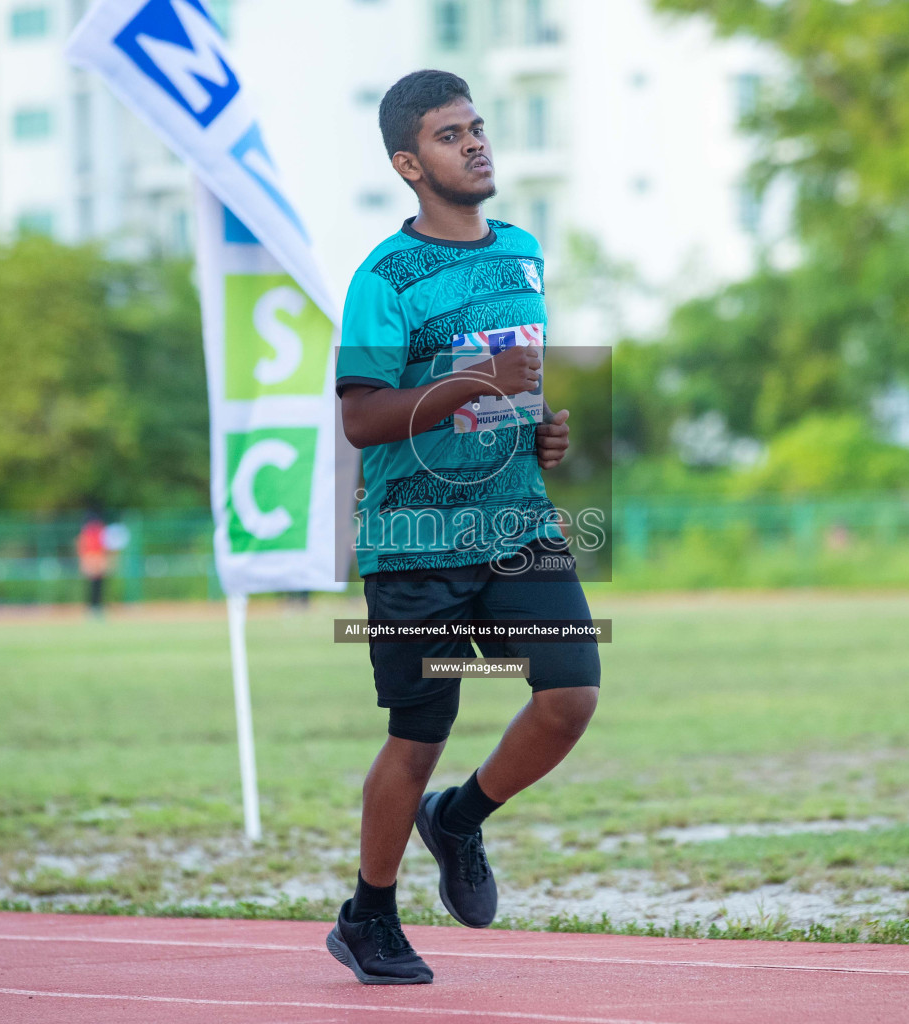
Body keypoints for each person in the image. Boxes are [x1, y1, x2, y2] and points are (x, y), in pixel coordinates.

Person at [327, 70, 600, 986]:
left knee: (570, 695)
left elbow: (520, 384)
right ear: (410, 163)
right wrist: (481, 387)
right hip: (415, 543)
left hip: (517, 523)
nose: (476, 143)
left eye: (478, 128)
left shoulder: (523, 251)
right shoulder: (384, 278)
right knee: (419, 733)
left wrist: (544, 429)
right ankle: (368, 914)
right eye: (451, 135)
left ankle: (460, 819)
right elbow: (361, 418)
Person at [76, 513, 110, 617]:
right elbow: (83, 546)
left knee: (98, 584)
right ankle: (92, 607)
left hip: (97, 557)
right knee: (92, 584)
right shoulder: (89, 532)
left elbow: (104, 546)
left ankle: (97, 606)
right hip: (92, 557)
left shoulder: (99, 531)